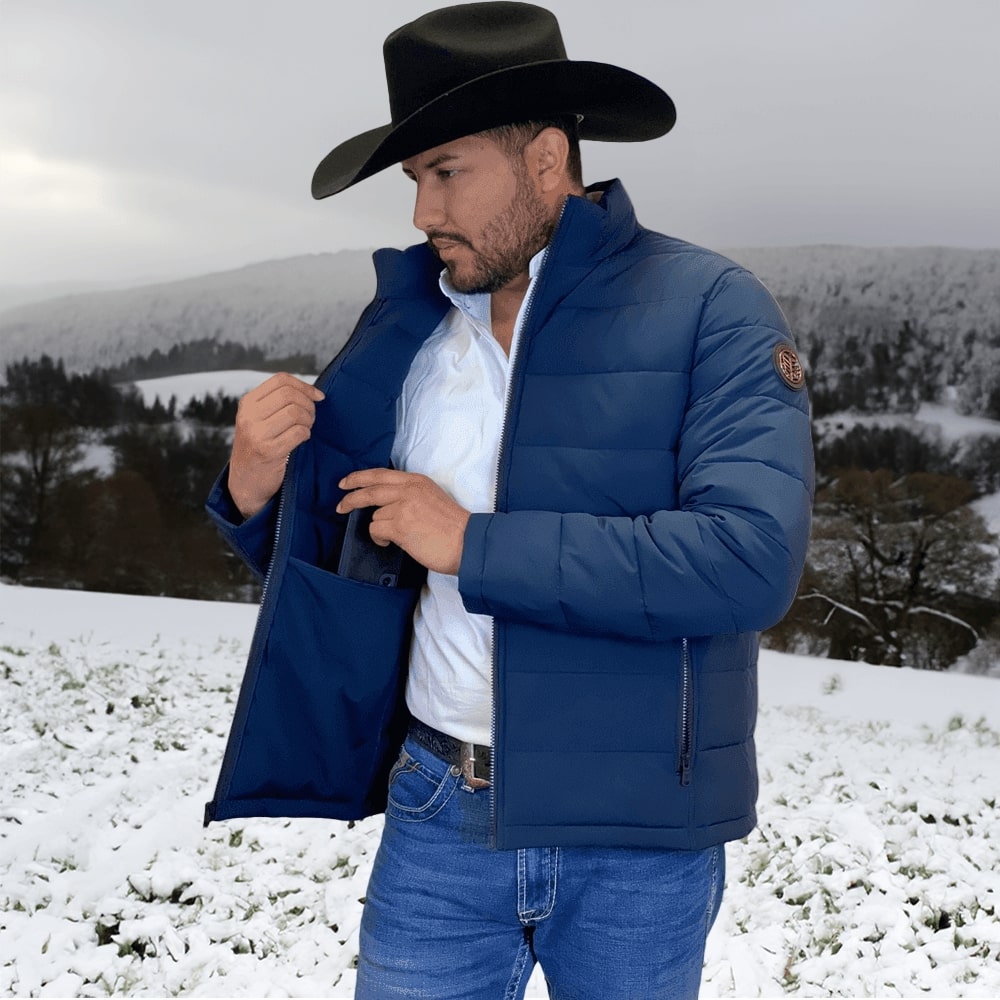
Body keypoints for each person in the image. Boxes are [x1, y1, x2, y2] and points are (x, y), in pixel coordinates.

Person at [204, 3, 814, 997]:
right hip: (436, 813)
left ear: (544, 160)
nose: (421, 212)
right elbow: (355, 549)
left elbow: (748, 559)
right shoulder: (404, 328)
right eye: (414, 179)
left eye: (447, 172)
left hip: (637, 839)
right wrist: (256, 488)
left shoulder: (712, 306)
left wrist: (473, 544)